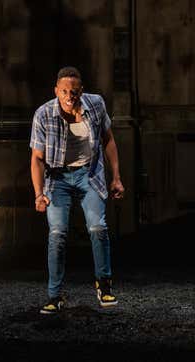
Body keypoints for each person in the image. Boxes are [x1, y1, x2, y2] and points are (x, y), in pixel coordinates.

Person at [30, 66, 125, 314]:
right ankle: (55, 295)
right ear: (56, 91)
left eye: (74, 91)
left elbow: (109, 140)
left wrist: (116, 178)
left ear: (81, 91)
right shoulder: (43, 114)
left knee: (98, 227)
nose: (69, 96)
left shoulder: (95, 105)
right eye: (64, 92)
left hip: (89, 174)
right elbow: (37, 158)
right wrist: (39, 193)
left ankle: (104, 285)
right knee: (57, 233)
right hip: (57, 177)